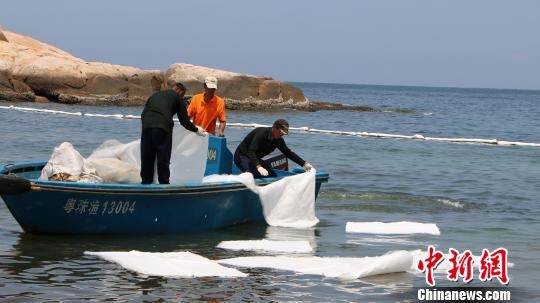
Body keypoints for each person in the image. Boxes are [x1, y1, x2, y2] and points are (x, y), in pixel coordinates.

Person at [140, 82, 206, 184]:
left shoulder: (155, 95)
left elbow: (143, 114)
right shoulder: (178, 98)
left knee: (147, 157)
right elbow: (184, 121)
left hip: (146, 126)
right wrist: (197, 130)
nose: (183, 96)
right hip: (163, 128)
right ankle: (164, 183)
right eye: (183, 94)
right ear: (180, 91)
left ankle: (145, 183)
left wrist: (148, 125)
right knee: (163, 157)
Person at [234, 119, 314, 178]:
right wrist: (258, 166)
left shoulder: (278, 140)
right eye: (280, 133)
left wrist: (303, 164)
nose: (281, 135)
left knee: (272, 176)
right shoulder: (261, 133)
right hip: (241, 156)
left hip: (255, 158)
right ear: (274, 128)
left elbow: (288, 153)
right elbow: (251, 151)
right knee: (253, 175)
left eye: (283, 134)